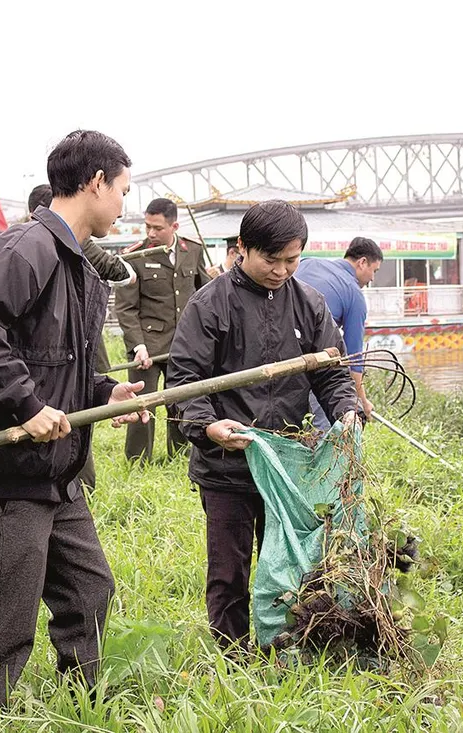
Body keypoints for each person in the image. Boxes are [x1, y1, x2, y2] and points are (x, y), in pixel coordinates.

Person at [0, 129, 150, 711]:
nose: (123, 205)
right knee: (9, 611)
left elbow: (64, 358)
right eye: (122, 191)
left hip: (59, 471)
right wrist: (27, 407)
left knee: (89, 590)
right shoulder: (26, 248)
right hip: (10, 468)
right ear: (96, 182)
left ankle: (85, 704)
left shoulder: (79, 264)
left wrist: (106, 391)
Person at [167, 200, 360, 650]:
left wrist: (347, 411)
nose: (280, 271)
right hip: (227, 465)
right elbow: (185, 380)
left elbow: (331, 372)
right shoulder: (210, 305)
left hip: (289, 465)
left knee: (291, 565)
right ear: (242, 248)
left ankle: (286, 648)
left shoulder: (309, 304)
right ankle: (233, 658)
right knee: (229, 571)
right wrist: (207, 427)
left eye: (291, 261)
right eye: (270, 260)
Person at [27, 183, 135, 489]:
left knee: (70, 411)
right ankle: (78, 483)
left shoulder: (29, 241)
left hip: (64, 353)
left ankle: (75, 484)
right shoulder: (66, 242)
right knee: (70, 415)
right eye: (122, 191)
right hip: (65, 351)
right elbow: (123, 273)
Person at [114, 197, 211, 463]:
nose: (151, 233)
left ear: (174, 226)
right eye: (148, 227)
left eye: (157, 228)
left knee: (180, 402)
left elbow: (205, 294)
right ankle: (137, 460)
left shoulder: (192, 250)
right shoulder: (135, 255)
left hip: (183, 345)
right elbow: (125, 307)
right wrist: (138, 345)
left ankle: (178, 455)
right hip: (147, 345)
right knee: (141, 404)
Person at [294, 236, 383, 425]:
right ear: (362, 262)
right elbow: (354, 359)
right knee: (324, 427)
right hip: (311, 360)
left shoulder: (309, 263)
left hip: (276, 356)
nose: (373, 278)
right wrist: (361, 402)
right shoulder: (354, 293)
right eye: (374, 271)